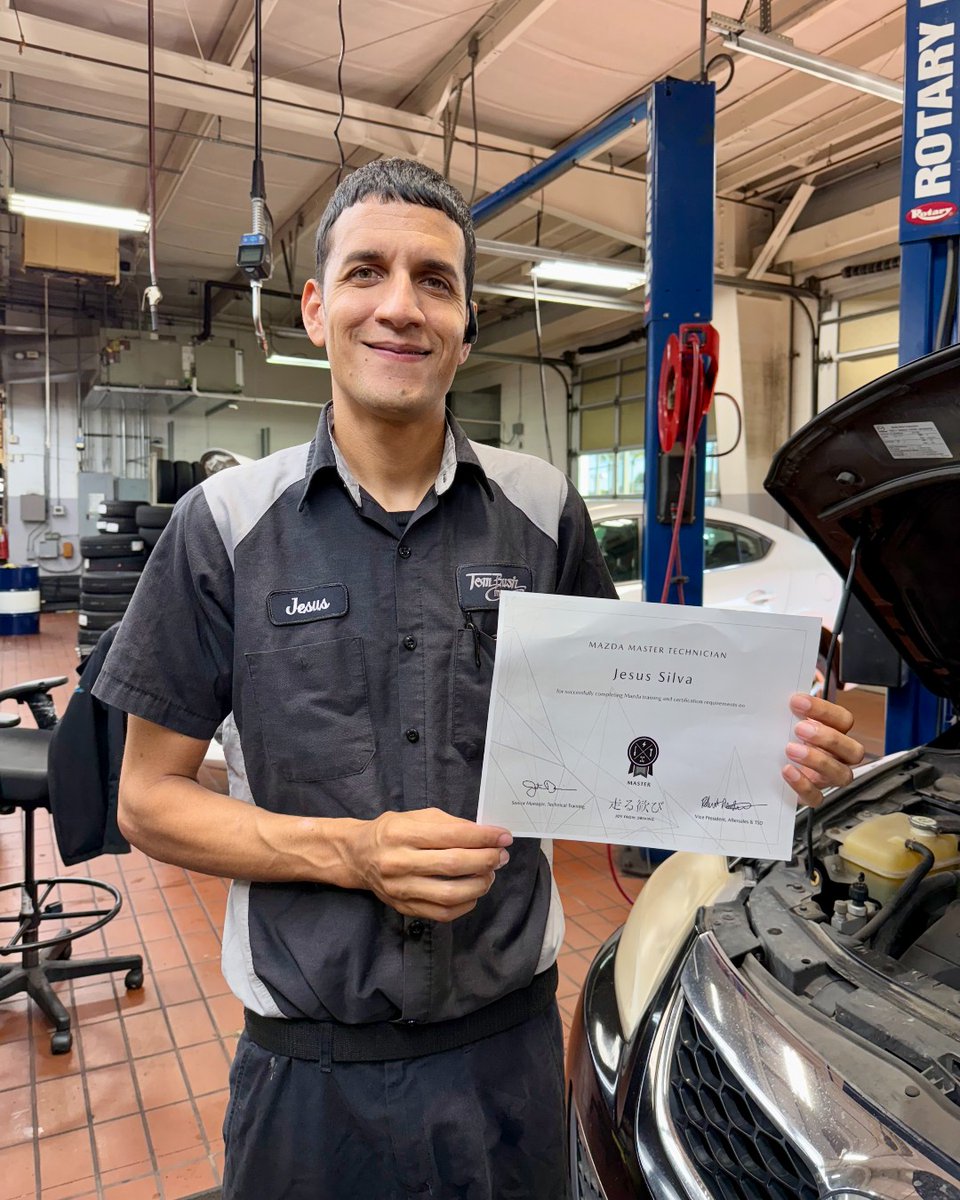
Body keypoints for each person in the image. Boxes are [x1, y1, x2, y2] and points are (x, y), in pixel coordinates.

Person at [93, 158, 864, 1200]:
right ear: (317, 308)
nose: (400, 306)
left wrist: (768, 760)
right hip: (309, 1076)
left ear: (467, 319)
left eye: (436, 280)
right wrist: (352, 852)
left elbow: (629, 747)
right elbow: (147, 800)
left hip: (504, 1067)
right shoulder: (223, 530)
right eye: (367, 272)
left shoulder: (543, 510)